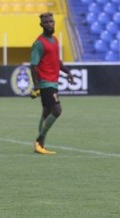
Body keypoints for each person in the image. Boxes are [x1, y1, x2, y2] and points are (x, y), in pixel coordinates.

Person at [30, 12, 75, 155]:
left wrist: (67, 72)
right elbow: (33, 65)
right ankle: (39, 141)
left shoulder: (55, 40)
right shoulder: (39, 43)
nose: (50, 24)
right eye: (46, 22)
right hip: (45, 83)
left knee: (46, 112)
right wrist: (36, 84)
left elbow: (57, 61)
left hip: (53, 82)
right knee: (57, 110)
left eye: (51, 21)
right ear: (41, 25)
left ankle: (40, 146)